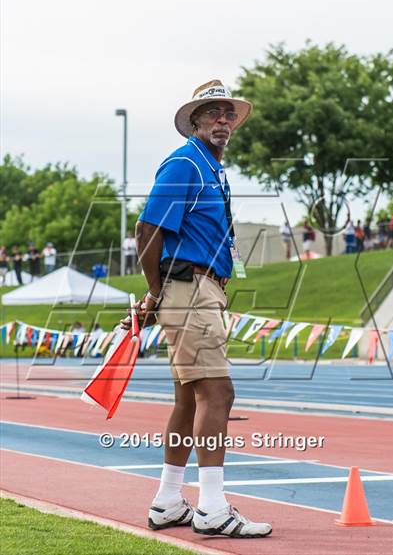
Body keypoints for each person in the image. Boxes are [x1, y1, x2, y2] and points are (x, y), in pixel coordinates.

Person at [121, 80, 272, 538]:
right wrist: (156, 289)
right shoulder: (187, 162)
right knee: (219, 394)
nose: (223, 120)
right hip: (190, 290)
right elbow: (147, 230)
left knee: (190, 398)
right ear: (196, 121)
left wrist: (155, 294)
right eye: (213, 113)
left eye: (229, 113)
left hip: (195, 289)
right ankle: (211, 508)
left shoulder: (210, 167)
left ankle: (168, 501)